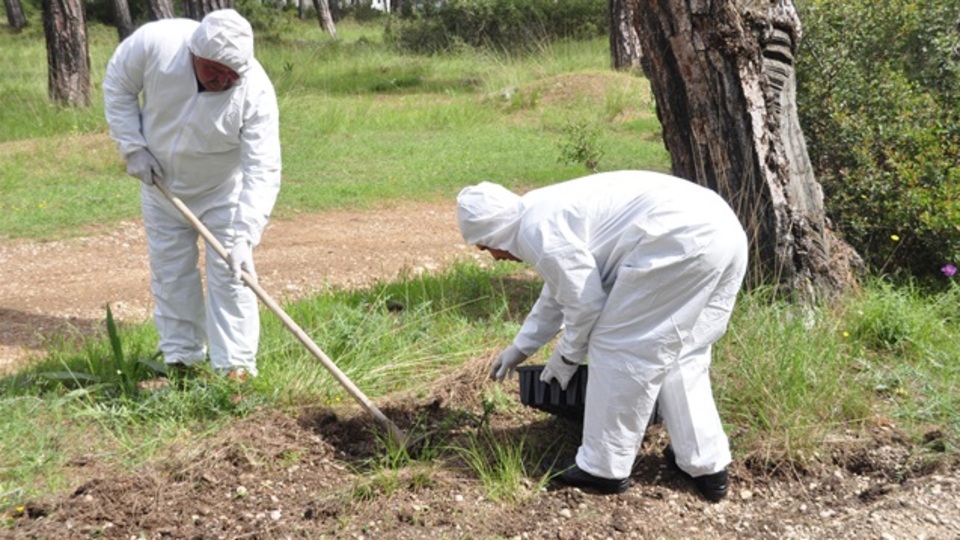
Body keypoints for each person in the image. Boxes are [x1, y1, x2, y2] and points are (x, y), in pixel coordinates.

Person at [456, 170, 748, 501]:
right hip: (721, 227)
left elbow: (585, 303)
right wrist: (521, 347)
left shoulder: (534, 229)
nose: (495, 259)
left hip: (678, 239)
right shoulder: (538, 211)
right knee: (682, 353)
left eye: (485, 248)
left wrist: (567, 356)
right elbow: (561, 289)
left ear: (494, 234)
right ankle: (705, 465)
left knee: (617, 346)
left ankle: (603, 468)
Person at [103, 9, 281, 380]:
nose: (223, 80)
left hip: (222, 194)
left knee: (233, 276)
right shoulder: (157, 44)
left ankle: (235, 370)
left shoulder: (256, 93)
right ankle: (183, 362)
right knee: (171, 274)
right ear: (193, 54)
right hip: (162, 188)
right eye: (214, 70)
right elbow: (118, 83)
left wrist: (245, 236)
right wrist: (132, 146)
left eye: (232, 74)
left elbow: (262, 168)